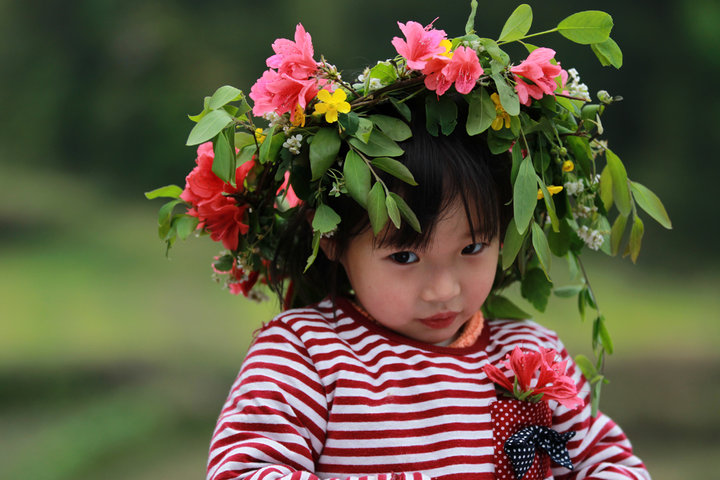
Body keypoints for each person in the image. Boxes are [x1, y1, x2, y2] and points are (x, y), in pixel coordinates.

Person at [146, 5, 667, 479]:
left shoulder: (532, 358)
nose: (443, 291)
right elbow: (245, 470)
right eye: (405, 256)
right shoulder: (305, 356)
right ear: (330, 239)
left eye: (471, 249)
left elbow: (614, 465)